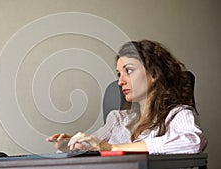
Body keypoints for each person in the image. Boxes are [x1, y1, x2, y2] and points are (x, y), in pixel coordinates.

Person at [46, 40, 207, 154]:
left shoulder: (178, 114)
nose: (120, 81)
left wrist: (112, 148)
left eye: (128, 71)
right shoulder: (117, 120)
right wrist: (73, 146)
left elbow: (192, 142)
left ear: (154, 74)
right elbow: (94, 146)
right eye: (119, 74)